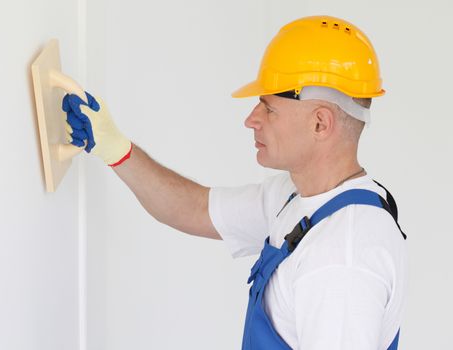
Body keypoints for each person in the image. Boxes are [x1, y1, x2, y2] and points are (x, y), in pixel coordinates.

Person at [62, 15, 408, 350]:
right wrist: (116, 148)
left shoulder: (342, 260)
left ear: (320, 124)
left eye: (268, 108)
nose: (250, 120)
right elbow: (194, 209)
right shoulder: (295, 198)